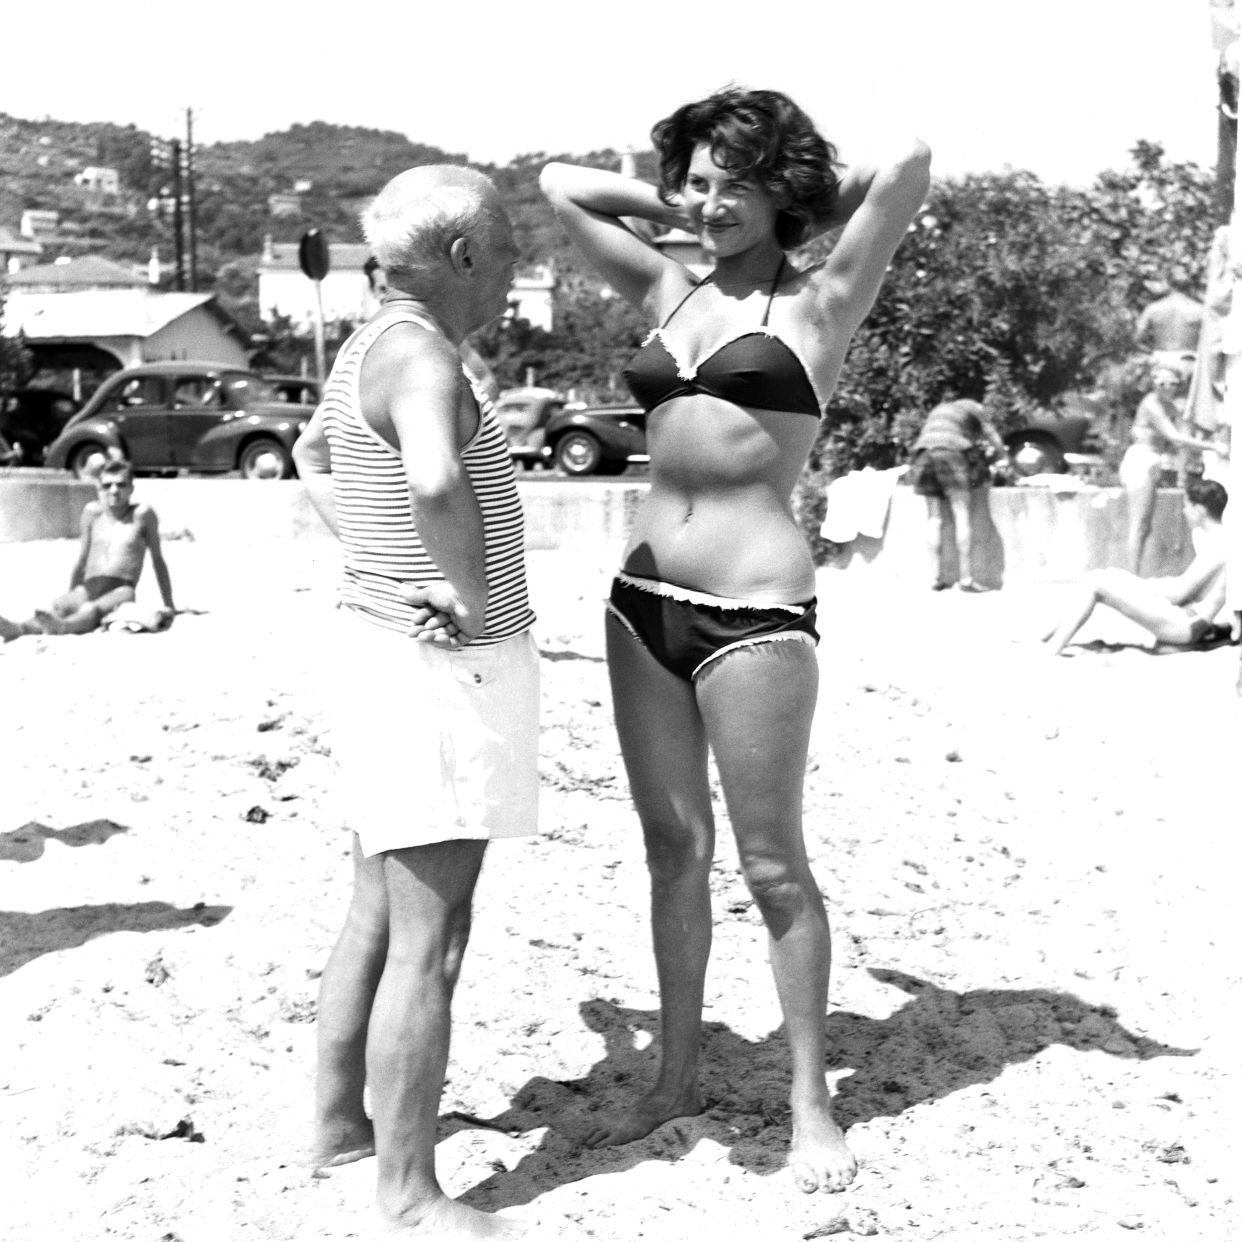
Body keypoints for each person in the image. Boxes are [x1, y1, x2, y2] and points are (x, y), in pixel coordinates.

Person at [541, 88, 930, 1195]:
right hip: (638, 602)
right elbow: (561, 188)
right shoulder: (668, 284)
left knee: (771, 868)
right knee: (671, 851)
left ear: (783, 190)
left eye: (731, 184)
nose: (707, 202)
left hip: (754, 613)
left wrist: (802, 193)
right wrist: (689, 198)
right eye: (696, 182)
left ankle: (812, 1099)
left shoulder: (823, 299)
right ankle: (673, 1076)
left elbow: (905, 159)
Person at [293, 166, 536, 1241]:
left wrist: (379, 560)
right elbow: (437, 483)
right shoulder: (427, 357)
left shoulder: (365, 348)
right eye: (510, 258)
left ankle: (340, 1126)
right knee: (432, 937)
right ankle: (408, 1190)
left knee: (376, 908)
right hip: (435, 671)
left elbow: (310, 456)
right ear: (466, 257)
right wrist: (476, 600)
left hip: (375, 644)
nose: (513, 278)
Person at [1041, 477, 1229, 656]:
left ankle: (1053, 647)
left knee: (1097, 582)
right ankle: (1046, 638)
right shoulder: (1221, 540)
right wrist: (1128, 580)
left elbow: (1178, 593)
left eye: (1187, 506)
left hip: (1184, 625)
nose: (1184, 511)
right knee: (1102, 576)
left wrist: (1136, 584)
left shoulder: (1217, 546)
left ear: (1200, 510)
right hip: (1186, 620)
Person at [0, 459, 174, 641]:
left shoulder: (142, 515)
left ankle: (63, 627)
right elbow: (81, 560)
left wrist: (169, 604)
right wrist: (71, 595)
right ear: (99, 488)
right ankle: (19, 628)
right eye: (107, 486)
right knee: (56, 607)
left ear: (131, 488)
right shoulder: (92, 513)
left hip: (121, 588)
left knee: (91, 610)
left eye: (121, 485)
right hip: (89, 585)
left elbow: (158, 560)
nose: (114, 491)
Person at [908, 398, 1005, 592]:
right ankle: (966, 580)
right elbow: (995, 441)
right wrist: (1000, 457)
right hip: (951, 453)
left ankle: (936, 578)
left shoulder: (940, 408)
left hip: (923, 453)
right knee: (961, 514)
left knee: (934, 518)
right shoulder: (975, 408)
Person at [1120, 366, 1208, 575]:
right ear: (1153, 384)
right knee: (1139, 523)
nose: (1167, 387)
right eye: (1161, 383)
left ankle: (1136, 574)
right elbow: (1175, 437)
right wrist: (1214, 447)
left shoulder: (1168, 406)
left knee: (1145, 525)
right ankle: (1132, 576)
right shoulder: (1152, 404)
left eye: (1172, 383)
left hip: (1153, 460)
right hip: (1140, 460)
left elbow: (1185, 432)